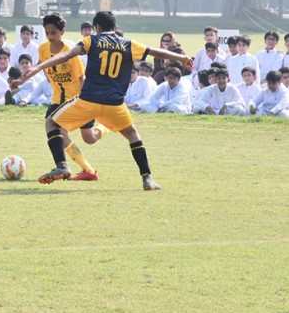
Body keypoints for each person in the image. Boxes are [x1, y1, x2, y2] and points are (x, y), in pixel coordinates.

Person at [14, 11, 193, 189]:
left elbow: (67, 55)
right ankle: (147, 178)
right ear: (115, 27)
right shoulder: (128, 44)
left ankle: (62, 165)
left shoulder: (91, 40)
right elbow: (155, 51)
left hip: (89, 101)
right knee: (132, 134)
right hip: (114, 104)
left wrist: (37, 68)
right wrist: (182, 57)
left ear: (97, 27)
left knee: (51, 123)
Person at [35, 13, 103, 182]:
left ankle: (106, 127)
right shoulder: (42, 48)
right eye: (47, 33)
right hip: (58, 99)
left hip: (77, 99)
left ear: (62, 32)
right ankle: (85, 170)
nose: (50, 36)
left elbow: (82, 78)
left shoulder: (70, 52)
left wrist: (84, 102)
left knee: (88, 138)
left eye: (54, 33)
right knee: (60, 130)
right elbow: (43, 68)